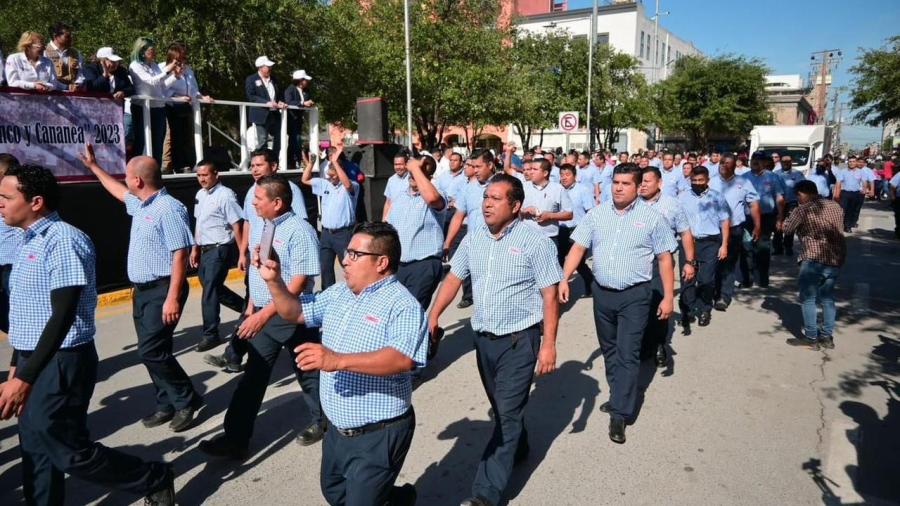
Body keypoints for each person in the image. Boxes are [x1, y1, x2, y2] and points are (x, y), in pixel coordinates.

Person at [0, 165, 177, 506]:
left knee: (68, 450)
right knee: (34, 447)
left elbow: (61, 316)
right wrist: (15, 365)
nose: (1, 204)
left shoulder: (64, 241)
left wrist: (25, 377)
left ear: (35, 202)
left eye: (6, 197)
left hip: (61, 360)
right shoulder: (27, 242)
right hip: (32, 358)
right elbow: (27, 317)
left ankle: (151, 477)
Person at [260, 222, 424, 506]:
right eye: (347, 252)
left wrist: (336, 360)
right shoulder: (339, 293)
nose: (345, 260)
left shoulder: (403, 305)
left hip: (378, 434)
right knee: (334, 491)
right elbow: (296, 311)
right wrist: (274, 280)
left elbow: (402, 358)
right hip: (338, 429)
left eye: (354, 254)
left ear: (381, 262)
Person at [429, 174, 561, 506]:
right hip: (483, 339)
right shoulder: (474, 238)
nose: (486, 203)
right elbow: (454, 279)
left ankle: (485, 492)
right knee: (504, 409)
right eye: (486, 197)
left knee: (505, 416)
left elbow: (550, 297)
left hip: (519, 340)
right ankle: (519, 444)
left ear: (515, 206)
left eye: (496, 198)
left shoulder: (535, 241)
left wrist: (548, 345)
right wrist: (433, 316)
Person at [199, 174, 326, 456]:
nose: (253, 204)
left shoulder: (299, 231)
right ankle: (235, 439)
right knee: (254, 377)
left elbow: (297, 283)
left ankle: (324, 421)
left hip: (293, 312)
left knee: (308, 371)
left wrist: (262, 315)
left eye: (258, 199)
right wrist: (251, 307)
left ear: (277, 203)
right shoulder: (267, 225)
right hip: (267, 311)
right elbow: (261, 273)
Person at [80, 145, 203, 432]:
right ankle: (166, 403)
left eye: (127, 177)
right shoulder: (142, 203)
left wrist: (172, 297)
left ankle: (186, 399)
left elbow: (180, 254)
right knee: (155, 350)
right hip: (143, 291)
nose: (125, 181)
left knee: (150, 351)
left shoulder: (168, 208)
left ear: (138, 180)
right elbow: (118, 192)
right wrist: (93, 166)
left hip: (162, 290)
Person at [559, 163, 677, 444]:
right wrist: (564, 278)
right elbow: (578, 247)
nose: (619, 188)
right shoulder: (597, 215)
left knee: (627, 352)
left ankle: (620, 412)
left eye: (626, 183)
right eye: (616, 182)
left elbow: (665, 258)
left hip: (635, 296)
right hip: (602, 294)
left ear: (638, 187)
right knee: (610, 348)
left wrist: (670, 296)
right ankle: (618, 393)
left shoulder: (652, 218)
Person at [204, 147, 307, 372]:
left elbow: (297, 224)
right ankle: (236, 354)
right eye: (252, 166)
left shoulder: (289, 190)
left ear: (273, 166)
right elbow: (248, 223)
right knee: (252, 307)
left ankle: (234, 354)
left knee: (269, 316)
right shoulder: (253, 192)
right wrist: (244, 252)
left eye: (260, 165)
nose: (255, 170)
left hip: (280, 271)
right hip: (257, 263)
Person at [639, 166, 695, 364]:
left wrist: (689, 262)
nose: (643, 185)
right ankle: (642, 345)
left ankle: (659, 344)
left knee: (658, 304)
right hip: (635, 262)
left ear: (659, 183)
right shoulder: (631, 204)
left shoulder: (672, 205)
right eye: (640, 181)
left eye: (647, 181)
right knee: (638, 307)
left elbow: (685, 233)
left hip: (660, 263)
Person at [190, 159, 245, 352]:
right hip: (205, 248)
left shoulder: (226, 195)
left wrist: (242, 254)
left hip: (220, 247)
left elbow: (237, 225)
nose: (202, 179)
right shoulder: (200, 194)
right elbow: (199, 223)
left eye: (205, 175)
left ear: (216, 175)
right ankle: (247, 309)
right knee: (212, 288)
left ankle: (211, 334)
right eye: (199, 175)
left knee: (209, 291)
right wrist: (195, 247)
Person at [783, 180, 846, 350]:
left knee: (808, 298)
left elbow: (787, 229)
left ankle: (811, 336)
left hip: (813, 258)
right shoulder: (835, 206)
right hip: (834, 257)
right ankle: (827, 336)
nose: (798, 198)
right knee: (828, 298)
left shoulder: (802, 209)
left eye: (798, 195)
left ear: (802, 193)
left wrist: (789, 217)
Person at [386, 156, 446, 310]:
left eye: (419, 172)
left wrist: (415, 167)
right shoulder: (400, 197)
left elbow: (433, 199)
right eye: (412, 172)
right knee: (395, 310)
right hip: (399, 264)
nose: (413, 175)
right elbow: (389, 226)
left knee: (411, 311)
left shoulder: (437, 195)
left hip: (423, 265)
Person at [677, 165, 730, 328]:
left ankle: (705, 309)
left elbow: (725, 221)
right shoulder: (682, 197)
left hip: (710, 242)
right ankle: (689, 310)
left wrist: (724, 245)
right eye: (694, 180)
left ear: (707, 180)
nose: (697, 183)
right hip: (688, 243)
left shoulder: (717, 197)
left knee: (706, 279)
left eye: (701, 180)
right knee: (688, 279)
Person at [443, 150, 496, 308]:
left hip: (499, 244)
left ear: (490, 165)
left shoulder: (503, 184)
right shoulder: (468, 189)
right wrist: (447, 243)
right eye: (473, 166)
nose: (475, 170)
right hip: (475, 244)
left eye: (479, 166)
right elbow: (458, 217)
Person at [710, 154, 761, 311]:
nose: (724, 165)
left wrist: (757, 226)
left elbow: (753, 204)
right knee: (713, 263)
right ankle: (712, 291)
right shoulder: (711, 182)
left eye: (728, 163)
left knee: (729, 263)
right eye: (722, 163)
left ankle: (724, 296)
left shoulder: (743, 183)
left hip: (734, 229)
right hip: (713, 230)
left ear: (735, 166)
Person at [303, 147, 358, 289]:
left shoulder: (352, 186)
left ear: (340, 172)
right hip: (326, 233)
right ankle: (328, 293)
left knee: (349, 266)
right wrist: (310, 164)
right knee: (325, 268)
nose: (330, 178)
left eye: (333, 175)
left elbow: (347, 184)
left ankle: (353, 292)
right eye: (329, 175)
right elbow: (305, 180)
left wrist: (336, 162)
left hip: (343, 234)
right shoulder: (325, 184)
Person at [128, 36, 179, 165]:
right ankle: (134, 171)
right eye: (151, 50)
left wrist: (175, 76)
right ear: (142, 51)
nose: (154, 52)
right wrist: (167, 69)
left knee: (158, 141)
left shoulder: (154, 65)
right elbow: (151, 81)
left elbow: (161, 85)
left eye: (154, 50)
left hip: (158, 107)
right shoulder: (135, 65)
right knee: (140, 140)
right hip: (142, 107)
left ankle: (155, 172)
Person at [164, 42, 211, 173]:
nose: (183, 61)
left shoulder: (188, 70)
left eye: (184, 58)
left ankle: (187, 163)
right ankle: (177, 165)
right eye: (180, 59)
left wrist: (202, 97)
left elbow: (193, 89)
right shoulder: (164, 68)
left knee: (187, 137)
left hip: (186, 106)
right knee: (175, 137)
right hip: (171, 106)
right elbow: (162, 90)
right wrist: (175, 77)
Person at [744, 152, 785, 287]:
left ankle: (762, 278)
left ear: (764, 162)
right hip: (747, 218)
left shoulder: (772, 177)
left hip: (766, 217)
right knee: (746, 247)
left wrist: (780, 217)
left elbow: (779, 198)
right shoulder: (743, 178)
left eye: (759, 159)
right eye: (753, 159)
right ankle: (747, 279)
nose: (755, 161)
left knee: (763, 247)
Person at [558, 163, 596, 296]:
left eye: (567, 175)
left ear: (574, 176)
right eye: (562, 175)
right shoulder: (558, 190)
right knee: (559, 260)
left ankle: (590, 282)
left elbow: (591, 211)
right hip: (561, 229)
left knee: (578, 263)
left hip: (578, 230)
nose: (564, 178)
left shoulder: (583, 190)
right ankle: (560, 289)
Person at [520, 158, 573, 251]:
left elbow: (569, 214)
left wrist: (549, 216)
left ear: (545, 173)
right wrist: (524, 211)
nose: (531, 172)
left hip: (549, 239)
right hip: (525, 238)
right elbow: (512, 209)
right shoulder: (523, 187)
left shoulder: (558, 189)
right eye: (531, 169)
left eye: (535, 169)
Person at [245, 56, 287, 153]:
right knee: (261, 141)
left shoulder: (274, 79)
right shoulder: (251, 79)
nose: (270, 68)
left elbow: (280, 94)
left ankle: (274, 161)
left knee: (279, 140)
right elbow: (251, 96)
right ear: (260, 67)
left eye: (270, 66)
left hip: (275, 114)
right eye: (267, 66)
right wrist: (266, 103)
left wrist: (281, 101)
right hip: (260, 115)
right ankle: (261, 163)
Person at [0, 153, 22, 335]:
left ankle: (20, 357)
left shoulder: (17, 198)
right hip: (3, 264)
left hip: (14, 264)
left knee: (16, 312)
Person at [773, 154, 805, 256]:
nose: (786, 163)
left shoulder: (798, 174)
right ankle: (777, 248)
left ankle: (788, 247)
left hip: (791, 203)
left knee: (789, 226)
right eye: (783, 161)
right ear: (780, 162)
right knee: (777, 226)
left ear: (791, 162)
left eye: (788, 161)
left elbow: (802, 188)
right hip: (778, 204)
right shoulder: (775, 174)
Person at [284, 70, 314, 169]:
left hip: (299, 120)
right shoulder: (290, 89)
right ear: (300, 80)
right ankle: (291, 161)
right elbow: (289, 101)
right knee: (294, 140)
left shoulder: (306, 91)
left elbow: (306, 102)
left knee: (297, 141)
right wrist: (302, 103)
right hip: (291, 119)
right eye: (305, 80)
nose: (307, 82)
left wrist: (309, 104)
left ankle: (294, 161)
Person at [833, 156, 871, 233]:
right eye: (850, 161)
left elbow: (864, 181)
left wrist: (864, 189)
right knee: (842, 210)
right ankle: (840, 225)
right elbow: (838, 183)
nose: (852, 163)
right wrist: (837, 194)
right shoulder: (842, 171)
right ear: (848, 162)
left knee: (851, 210)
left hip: (855, 193)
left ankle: (848, 226)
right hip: (845, 193)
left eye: (853, 161)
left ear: (856, 162)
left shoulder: (861, 172)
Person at [43, 22, 83, 91]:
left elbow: (80, 74)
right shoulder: (44, 52)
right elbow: (45, 78)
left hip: (73, 96)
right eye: (67, 36)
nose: (71, 39)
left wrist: (77, 84)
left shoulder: (76, 53)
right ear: (55, 36)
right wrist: (66, 87)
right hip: (51, 94)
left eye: (71, 36)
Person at [382, 151, 411, 220]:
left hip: (408, 219)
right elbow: (388, 202)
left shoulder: (412, 179)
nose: (398, 167)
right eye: (396, 164)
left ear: (406, 164)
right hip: (393, 219)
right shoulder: (391, 180)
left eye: (401, 164)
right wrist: (383, 220)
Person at [890, 169, 900, 239]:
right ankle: (898, 231)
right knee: (899, 216)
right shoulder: (899, 174)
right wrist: (893, 196)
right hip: (899, 198)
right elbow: (893, 185)